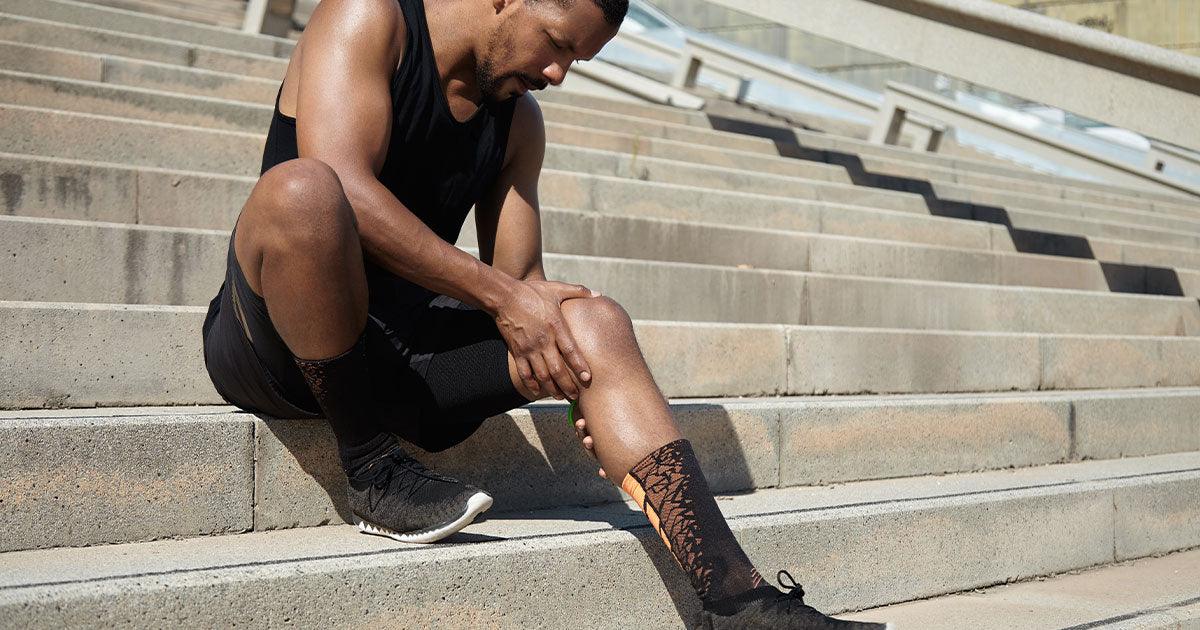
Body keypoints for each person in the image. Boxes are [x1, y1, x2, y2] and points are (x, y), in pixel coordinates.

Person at [200, 0, 889, 627]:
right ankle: (373, 472)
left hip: (407, 362)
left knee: (597, 324)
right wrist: (506, 298)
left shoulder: (517, 123)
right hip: (280, 348)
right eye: (556, 45)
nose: (558, 74)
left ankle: (736, 600)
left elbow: (519, 284)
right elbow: (346, 182)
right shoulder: (369, 18)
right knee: (303, 190)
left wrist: (574, 363)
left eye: (576, 61)